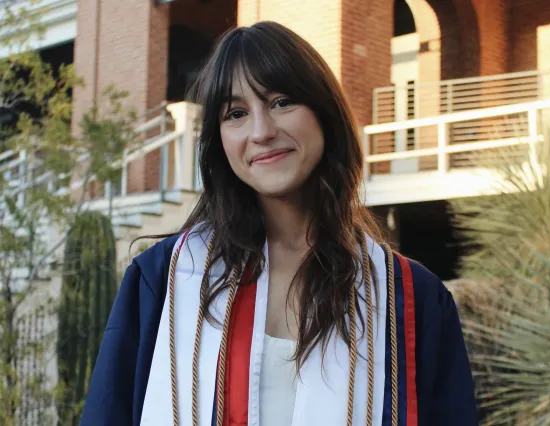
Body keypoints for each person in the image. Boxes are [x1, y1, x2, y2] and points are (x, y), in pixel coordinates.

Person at [79, 21, 478, 426]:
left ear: (324, 113)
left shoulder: (411, 300)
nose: (262, 132)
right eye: (235, 113)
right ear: (219, 141)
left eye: (282, 101)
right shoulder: (163, 281)